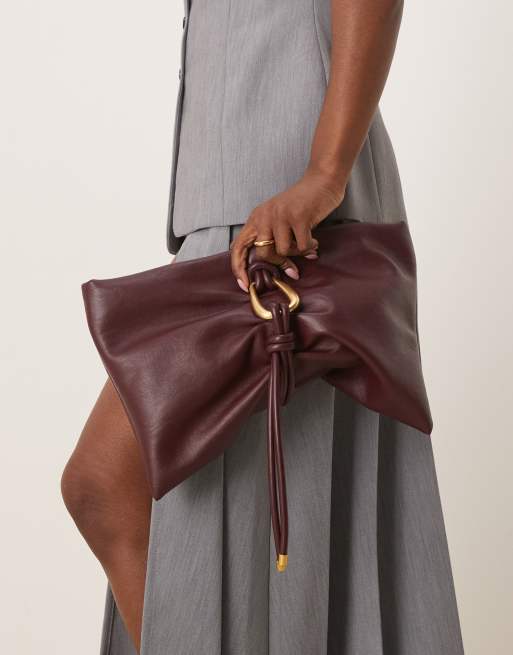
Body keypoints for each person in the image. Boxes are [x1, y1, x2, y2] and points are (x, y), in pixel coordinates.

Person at [62, 1, 465, 653]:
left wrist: (324, 173)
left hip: (286, 216)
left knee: (107, 486)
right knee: (123, 494)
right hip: (242, 210)